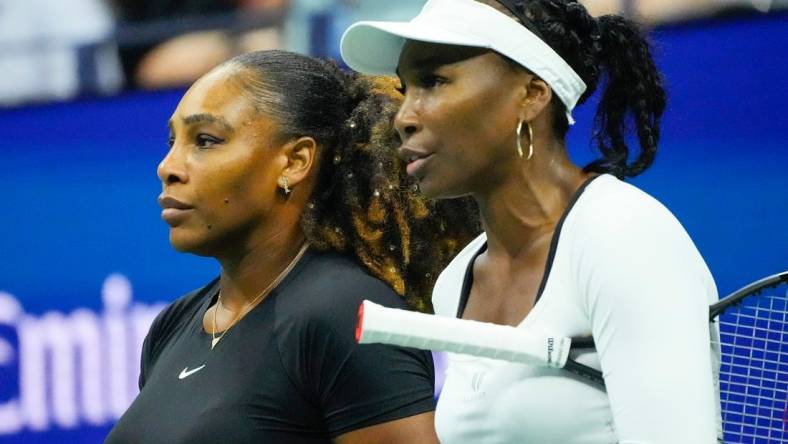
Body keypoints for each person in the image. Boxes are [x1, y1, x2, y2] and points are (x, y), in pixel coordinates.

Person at [340, 0, 720, 442]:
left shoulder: (624, 237)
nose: (403, 118)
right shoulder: (456, 281)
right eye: (406, 89)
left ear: (532, 95)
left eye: (435, 81)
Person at [105, 49, 479, 443]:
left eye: (205, 140)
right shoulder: (173, 325)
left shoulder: (347, 313)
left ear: (295, 161)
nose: (168, 166)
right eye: (172, 140)